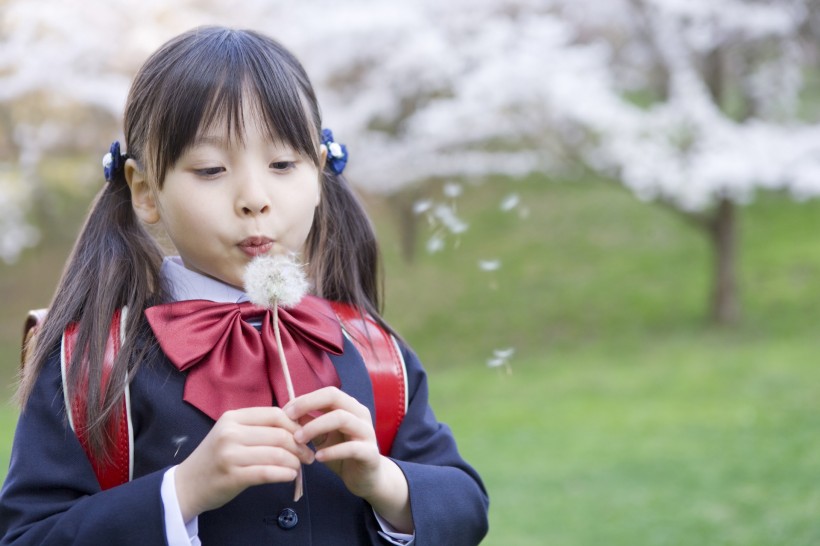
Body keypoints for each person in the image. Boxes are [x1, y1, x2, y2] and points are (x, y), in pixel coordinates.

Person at [0, 26, 488, 545]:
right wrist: (181, 492)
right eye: (211, 169)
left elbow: (467, 507)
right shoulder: (92, 361)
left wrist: (384, 483)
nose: (254, 197)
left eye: (282, 164)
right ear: (144, 189)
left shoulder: (373, 351)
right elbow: (29, 535)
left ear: (320, 173)